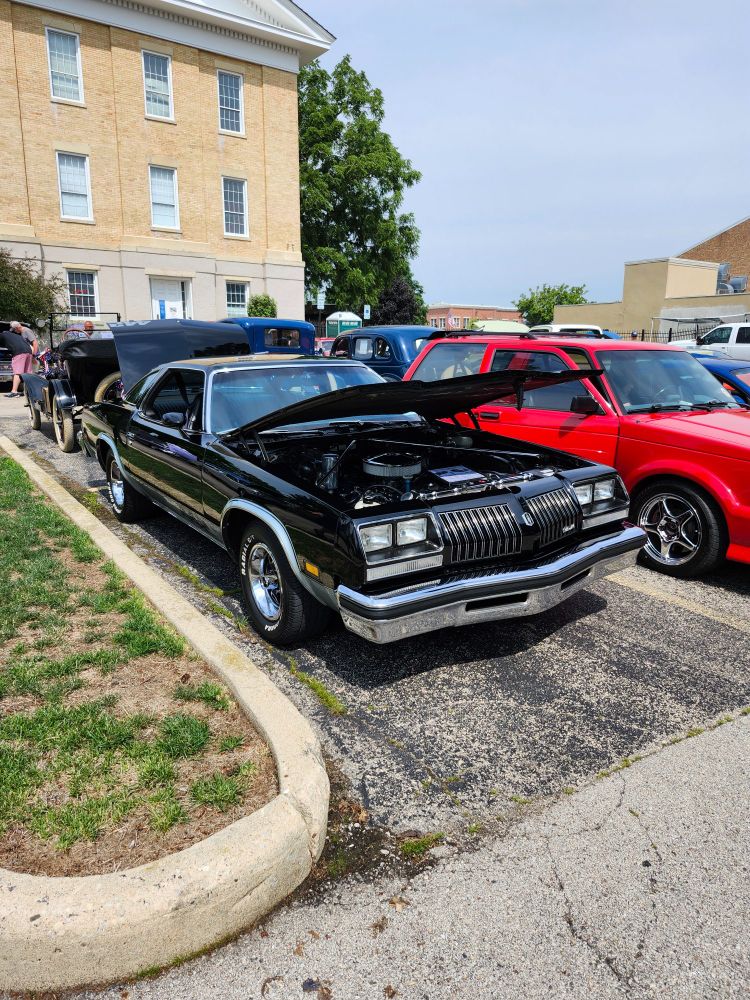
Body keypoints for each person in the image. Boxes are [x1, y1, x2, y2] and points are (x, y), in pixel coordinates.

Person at [1, 321, 38, 397]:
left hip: (19, 353)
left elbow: (35, 342)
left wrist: (34, 355)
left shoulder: (3, 335)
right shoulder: (18, 336)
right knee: (27, 373)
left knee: (17, 372)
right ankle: (31, 391)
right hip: (28, 352)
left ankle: (14, 392)